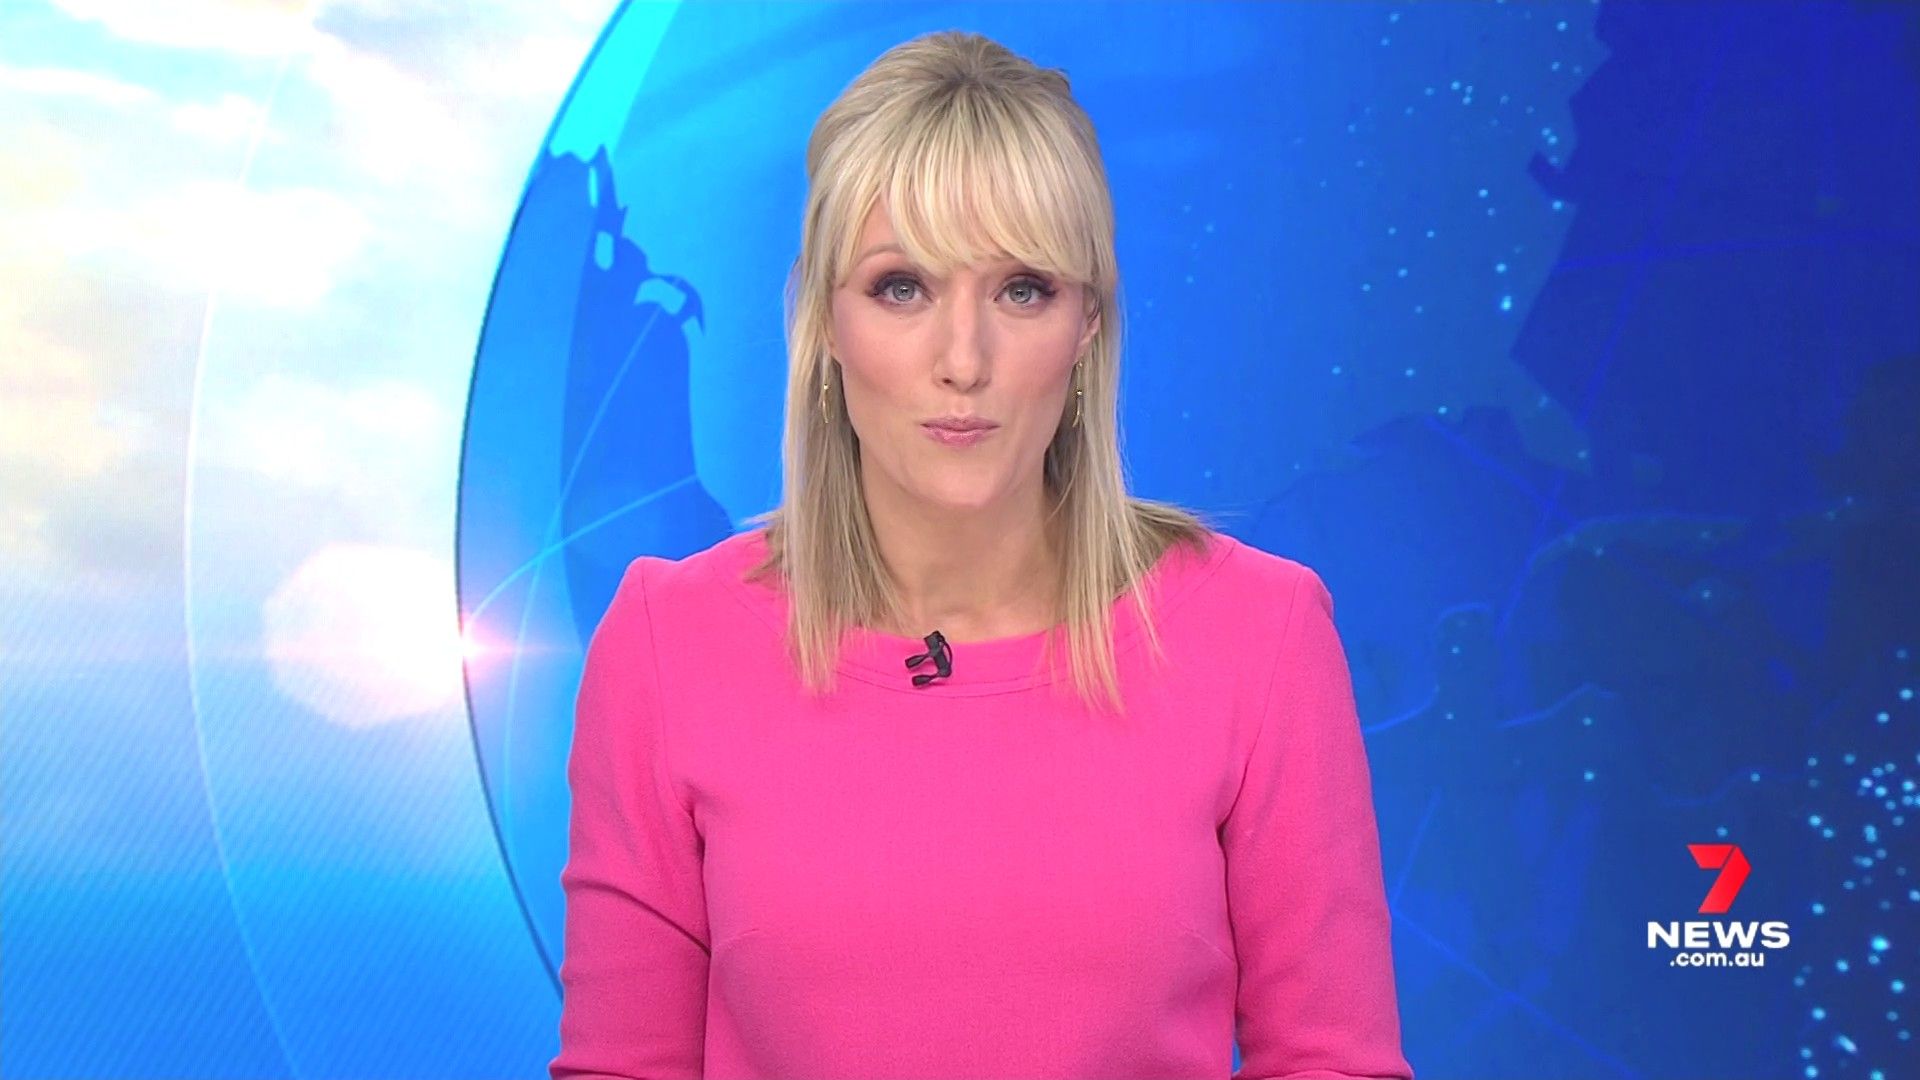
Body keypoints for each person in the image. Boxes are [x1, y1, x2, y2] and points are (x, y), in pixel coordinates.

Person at [549, 28, 1413, 1080]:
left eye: (1022, 289)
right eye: (902, 287)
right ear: (824, 320)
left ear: (1088, 323)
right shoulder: (668, 644)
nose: (964, 361)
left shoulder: (1259, 637)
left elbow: (1332, 1060)